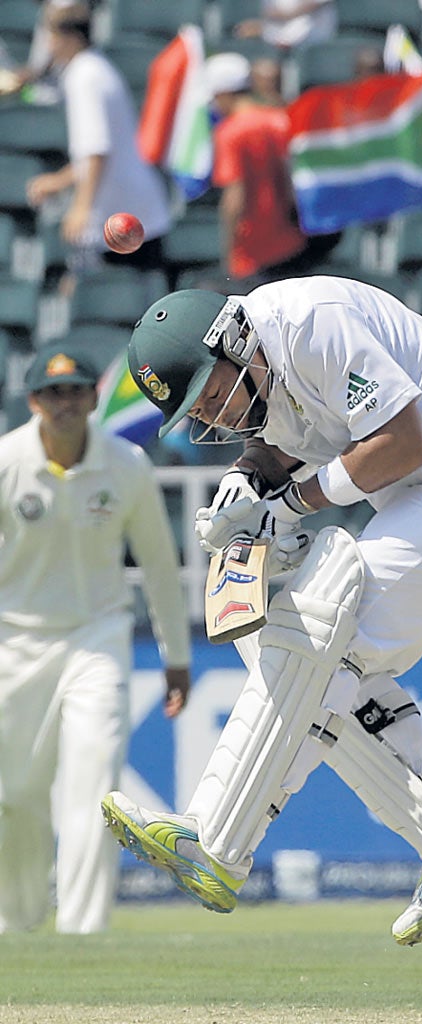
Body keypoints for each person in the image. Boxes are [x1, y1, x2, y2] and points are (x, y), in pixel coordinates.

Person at [101, 275, 422, 946]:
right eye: (202, 414)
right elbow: (285, 441)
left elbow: (400, 443)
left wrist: (284, 508)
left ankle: (217, 837)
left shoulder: (311, 321)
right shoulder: (265, 366)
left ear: (236, 340)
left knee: (316, 635)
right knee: (340, 674)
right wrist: (245, 482)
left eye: (214, 394)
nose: (219, 416)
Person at [0, 341, 191, 934]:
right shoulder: (6, 463)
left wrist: (176, 657)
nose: (66, 403)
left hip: (97, 638)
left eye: (77, 391)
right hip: (15, 643)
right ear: (33, 401)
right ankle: (17, 922)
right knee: (14, 796)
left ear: (92, 398)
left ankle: (83, 932)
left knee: (94, 782)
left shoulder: (126, 465)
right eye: (53, 393)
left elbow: (159, 565)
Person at [24, 3, 171, 290]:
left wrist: (81, 208)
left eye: (51, 37)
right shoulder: (94, 67)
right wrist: (59, 181)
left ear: (70, 38)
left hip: (122, 217)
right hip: (132, 210)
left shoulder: (84, 76)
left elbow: (96, 149)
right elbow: (94, 150)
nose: (48, 46)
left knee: (121, 305)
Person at [205, 52, 339, 292]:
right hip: (292, 243)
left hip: (254, 253)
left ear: (224, 94)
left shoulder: (230, 132)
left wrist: (229, 250)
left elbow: (235, 197)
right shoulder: (281, 119)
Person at [232, 0, 337, 52]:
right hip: (276, 36)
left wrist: (263, 29)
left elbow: (311, 6)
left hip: (314, 38)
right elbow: (269, 12)